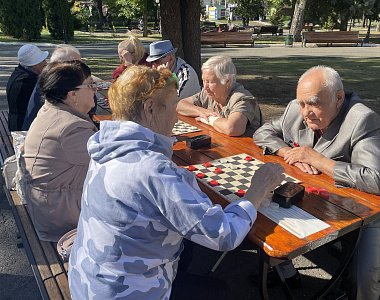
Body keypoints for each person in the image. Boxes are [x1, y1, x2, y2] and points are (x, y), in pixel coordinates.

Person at [68, 65, 285, 300]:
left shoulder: (105, 145)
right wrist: (257, 190)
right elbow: (225, 234)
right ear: (150, 109)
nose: (175, 117)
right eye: (173, 108)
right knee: (220, 292)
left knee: (188, 247)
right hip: (123, 293)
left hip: (87, 279)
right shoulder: (155, 171)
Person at [253, 65, 380, 298]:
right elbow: (262, 133)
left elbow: (375, 179)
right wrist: (286, 152)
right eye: (302, 103)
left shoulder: (362, 119)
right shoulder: (295, 108)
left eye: (314, 103)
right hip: (314, 197)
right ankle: (284, 272)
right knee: (263, 220)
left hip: (364, 212)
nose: (306, 112)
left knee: (364, 278)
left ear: (339, 98)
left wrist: (318, 160)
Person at [22, 61, 98, 242]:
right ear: (73, 94)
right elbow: (114, 161)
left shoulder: (52, 110)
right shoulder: (71, 128)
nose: (95, 90)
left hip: (49, 206)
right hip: (61, 221)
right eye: (91, 85)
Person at [177, 56, 263, 137]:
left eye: (210, 82)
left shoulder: (242, 99)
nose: (205, 87)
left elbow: (232, 128)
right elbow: (180, 105)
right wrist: (201, 111)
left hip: (247, 150)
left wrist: (209, 119)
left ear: (227, 81)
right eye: (203, 80)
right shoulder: (208, 93)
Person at [22, 44, 86, 130]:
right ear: (62, 67)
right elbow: (87, 107)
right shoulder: (57, 84)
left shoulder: (49, 78)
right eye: (78, 64)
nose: (82, 68)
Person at [6, 44, 48, 131]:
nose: (45, 62)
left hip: (16, 123)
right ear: (34, 65)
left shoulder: (19, 72)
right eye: (42, 60)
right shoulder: (28, 80)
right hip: (22, 128)